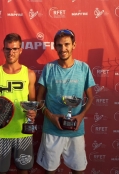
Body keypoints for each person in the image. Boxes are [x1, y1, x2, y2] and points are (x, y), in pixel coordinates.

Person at [36, 29, 95, 174]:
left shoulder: (83, 68)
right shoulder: (49, 69)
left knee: (78, 171)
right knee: (50, 171)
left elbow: (90, 97)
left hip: (75, 131)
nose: (63, 49)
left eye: (67, 44)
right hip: (51, 130)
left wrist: (80, 117)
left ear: (74, 45)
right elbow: (39, 99)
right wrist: (51, 116)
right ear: (55, 47)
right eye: (59, 45)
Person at [0, 33, 37, 174]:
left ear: (21, 50)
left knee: (24, 170)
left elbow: (33, 103)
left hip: (23, 131)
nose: (11, 52)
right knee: (0, 171)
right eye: (8, 49)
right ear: (3, 49)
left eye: (15, 49)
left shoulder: (29, 74)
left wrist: (33, 113)